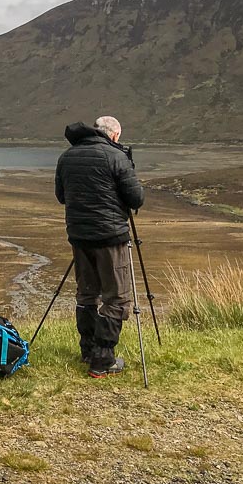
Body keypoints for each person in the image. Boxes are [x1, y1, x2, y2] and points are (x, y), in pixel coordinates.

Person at [54, 115, 144, 378]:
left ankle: (88, 351)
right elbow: (136, 198)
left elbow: (62, 197)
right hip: (110, 237)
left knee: (86, 294)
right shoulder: (116, 157)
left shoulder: (67, 157)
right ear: (114, 135)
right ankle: (102, 361)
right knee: (116, 298)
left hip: (79, 236)